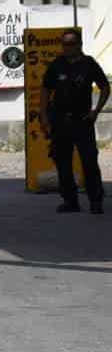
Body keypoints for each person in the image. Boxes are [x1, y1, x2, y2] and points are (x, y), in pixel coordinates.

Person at [43, 30, 108, 214]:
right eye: (64, 44)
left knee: (88, 161)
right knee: (63, 162)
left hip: (82, 120)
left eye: (70, 44)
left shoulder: (88, 64)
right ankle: (70, 201)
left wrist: (96, 111)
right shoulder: (57, 65)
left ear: (79, 45)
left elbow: (104, 87)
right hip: (61, 120)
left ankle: (95, 200)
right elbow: (46, 91)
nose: (67, 47)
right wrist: (44, 116)